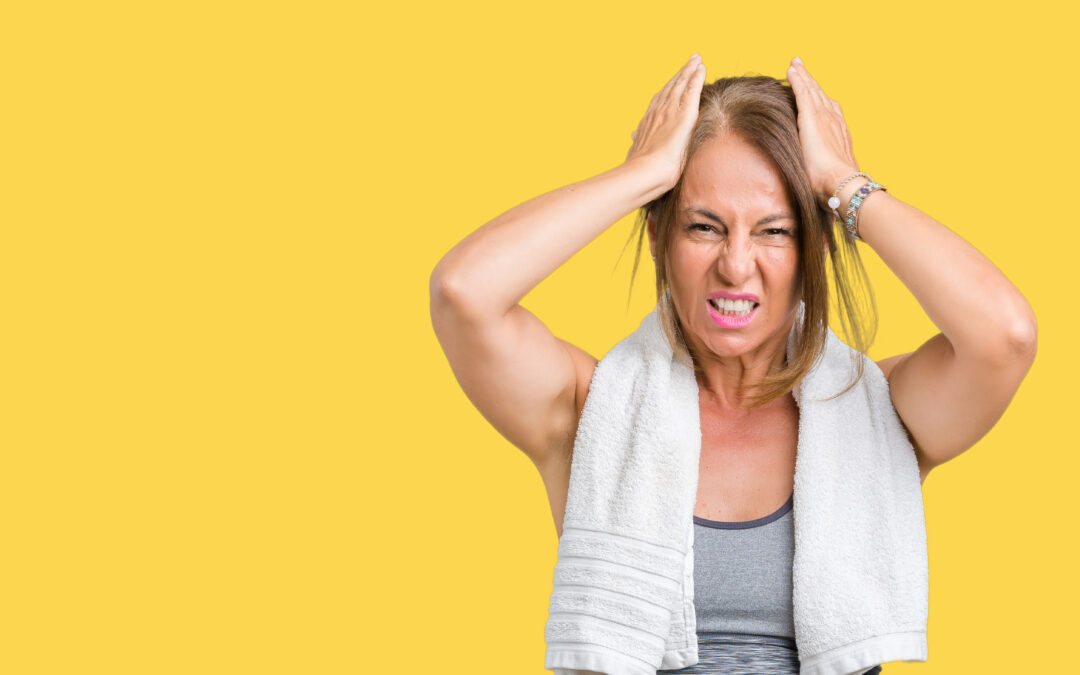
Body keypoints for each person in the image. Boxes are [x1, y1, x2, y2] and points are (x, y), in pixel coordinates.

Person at [429, 54, 1037, 673]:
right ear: (659, 237)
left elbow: (1005, 337)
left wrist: (844, 185)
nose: (736, 265)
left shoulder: (880, 414)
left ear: (815, 247)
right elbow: (464, 293)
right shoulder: (591, 409)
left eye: (774, 231)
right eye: (703, 226)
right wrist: (643, 176)